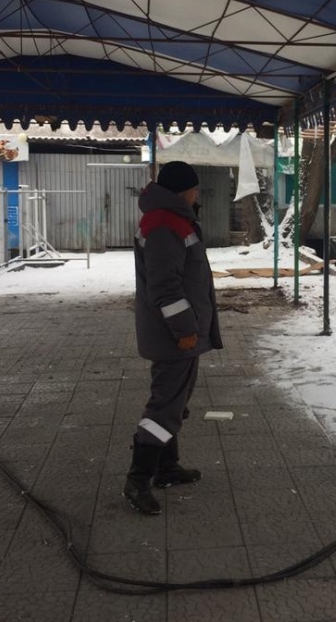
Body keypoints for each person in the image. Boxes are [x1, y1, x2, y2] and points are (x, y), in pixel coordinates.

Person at [124, 160, 222, 515]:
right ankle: (137, 480)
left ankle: (167, 467)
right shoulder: (165, 224)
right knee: (165, 405)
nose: (197, 195)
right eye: (194, 190)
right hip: (173, 334)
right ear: (183, 191)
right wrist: (185, 329)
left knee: (175, 400)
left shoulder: (170, 219)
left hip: (176, 331)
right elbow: (165, 286)